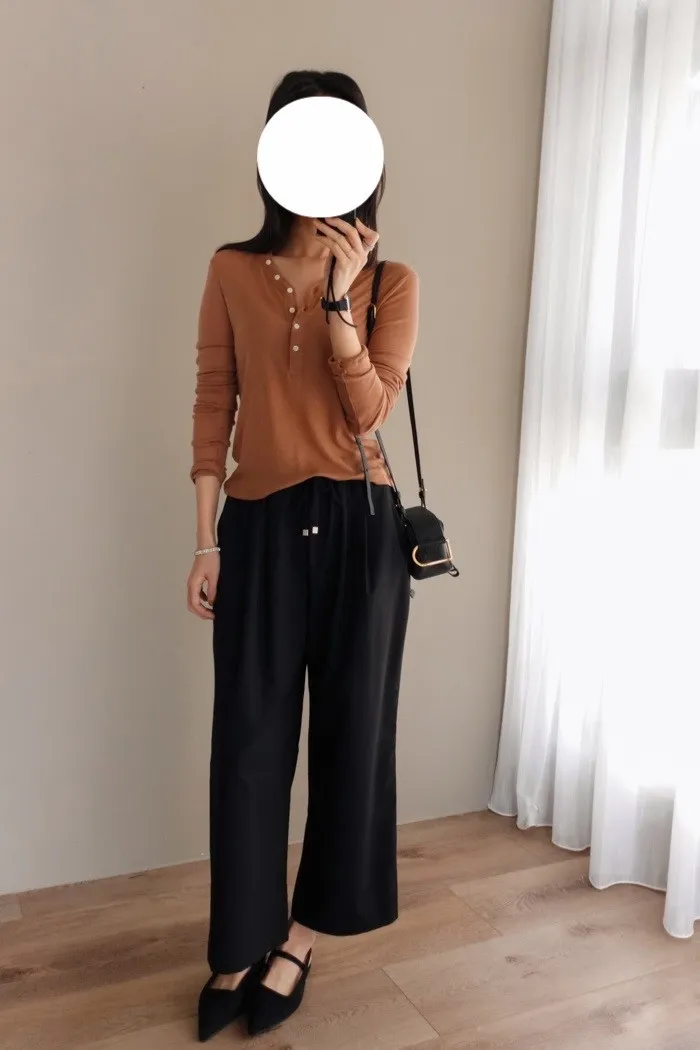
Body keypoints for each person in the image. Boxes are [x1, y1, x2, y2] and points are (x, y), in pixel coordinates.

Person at [186, 69, 419, 1042]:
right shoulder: (231, 268)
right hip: (258, 526)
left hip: (362, 528)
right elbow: (214, 401)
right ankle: (239, 943)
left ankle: (302, 939)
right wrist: (206, 538)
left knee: (352, 741)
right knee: (247, 745)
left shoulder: (390, 282)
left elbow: (369, 415)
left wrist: (336, 303)